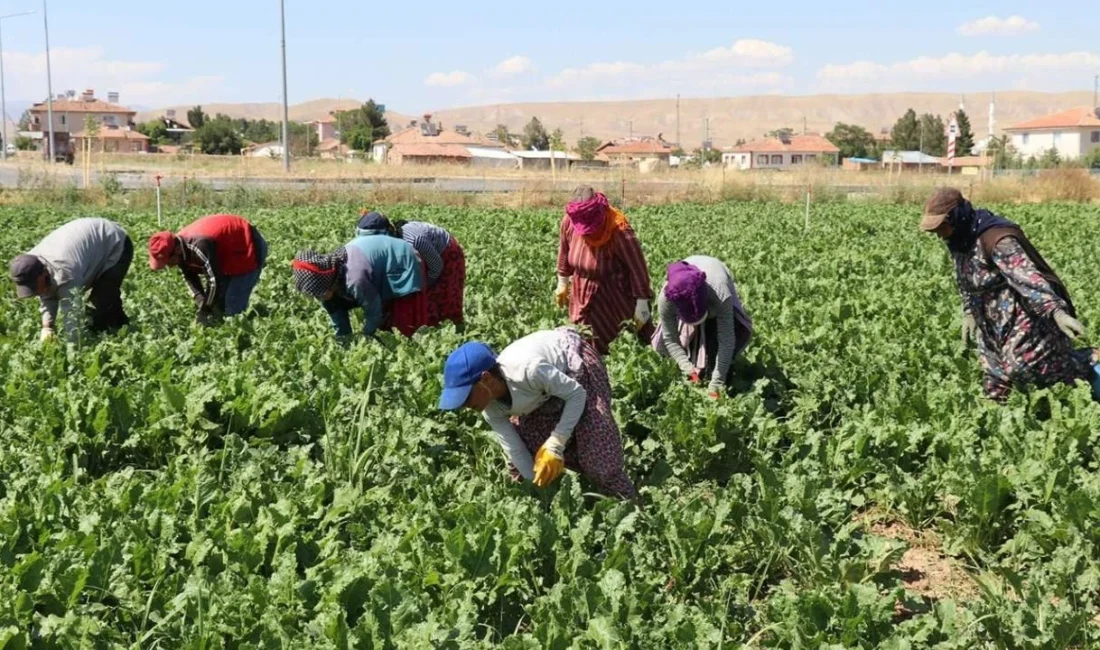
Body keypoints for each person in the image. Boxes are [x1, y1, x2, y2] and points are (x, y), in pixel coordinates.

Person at [920, 187, 1099, 401]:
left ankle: (1089, 361)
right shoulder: (959, 240)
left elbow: (1028, 279)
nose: (939, 235)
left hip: (1021, 316)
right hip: (988, 321)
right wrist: (968, 311)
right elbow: (965, 280)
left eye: (941, 227)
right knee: (994, 377)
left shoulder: (997, 240)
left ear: (957, 217)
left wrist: (1055, 311)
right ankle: (1000, 427)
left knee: (1021, 366)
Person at [438, 327, 637, 499]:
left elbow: (576, 394)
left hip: (575, 372)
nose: (463, 405)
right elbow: (515, 449)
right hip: (543, 394)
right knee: (528, 450)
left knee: (598, 455)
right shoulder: (490, 407)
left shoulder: (528, 370)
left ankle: (632, 506)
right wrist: (539, 489)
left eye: (466, 397)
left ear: (486, 379)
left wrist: (557, 441)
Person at [556, 186, 654, 355]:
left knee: (621, 344)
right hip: (581, 295)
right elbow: (564, 251)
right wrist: (562, 281)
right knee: (585, 342)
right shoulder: (570, 222)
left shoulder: (619, 230)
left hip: (614, 298)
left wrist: (642, 302)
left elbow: (638, 268)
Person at [292, 222, 426, 338]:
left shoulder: (354, 278)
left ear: (326, 282)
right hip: (375, 266)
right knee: (338, 303)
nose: (320, 297)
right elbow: (338, 319)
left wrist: (366, 335)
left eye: (320, 293)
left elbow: (373, 309)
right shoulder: (328, 282)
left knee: (401, 321)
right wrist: (344, 343)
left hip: (402, 260)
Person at [8, 217, 133, 341]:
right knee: (105, 304)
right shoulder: (31, 262)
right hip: (91, 241)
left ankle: (118, 334)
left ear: (43, 274)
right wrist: (47, 327)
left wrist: (72, 346)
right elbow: (46, 292)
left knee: (102, 298)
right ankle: (121, 328)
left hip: (115, 243)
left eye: (33, 286)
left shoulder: (64, 271)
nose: (34, 291)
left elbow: (72, 313)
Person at [652, 257, 753, 399]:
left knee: (716, 349)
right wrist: (688, 369)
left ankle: (721, 376)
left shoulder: (720, 292)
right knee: (679, 349)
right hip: (687, 296)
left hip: (715, 283)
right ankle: (695, 366)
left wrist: (716, 384)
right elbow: (670, 339)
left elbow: (727, 339)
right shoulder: (667, 299)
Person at [147, 214, 268, 325]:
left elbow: (214, 281)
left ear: (176, 251)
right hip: (227, 254)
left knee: (232, 306)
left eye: (167, 261)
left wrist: (205, 310)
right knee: (219, 305)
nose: (168, 266)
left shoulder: (199, 245)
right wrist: (202, 304)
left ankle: (245, 338)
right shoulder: (178, 247)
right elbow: (190, 277)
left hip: (247, 245)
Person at [356, 212, 466, 326]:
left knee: (442, 297)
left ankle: (453, 330)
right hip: (423, 256)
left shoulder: (414, 240)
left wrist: (425, 286)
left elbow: (436, 266)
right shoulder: (388, 246)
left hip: (446, 254)